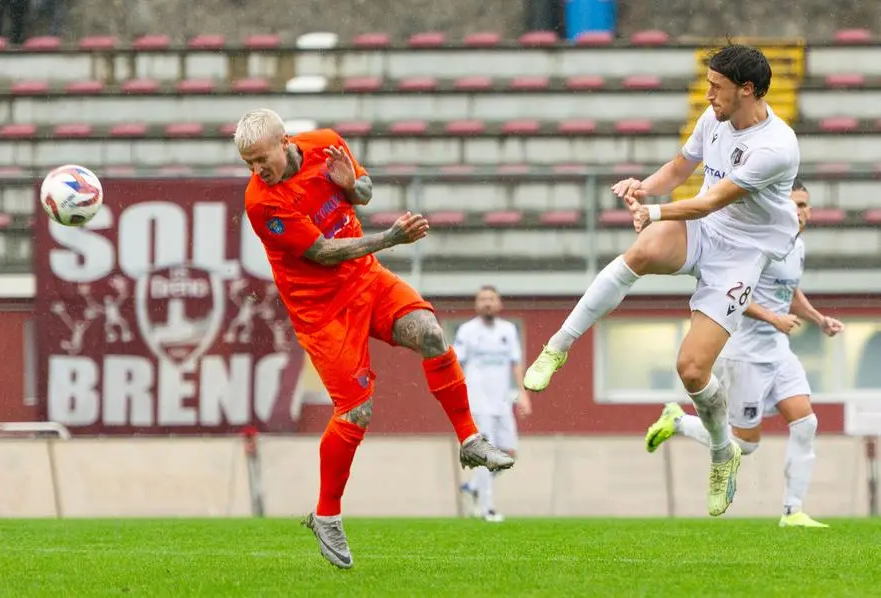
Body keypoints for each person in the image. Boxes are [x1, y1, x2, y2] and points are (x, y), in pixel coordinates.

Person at [523, 44, 801, 517]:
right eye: (708, 84)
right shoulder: (714, 118)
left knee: (692, 370)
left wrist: (653, 210)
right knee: (642, 250)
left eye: (717, 86)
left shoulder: (776, 146)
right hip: (707, 231)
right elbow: (679, 170)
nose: (708, 94)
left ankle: (721, 451)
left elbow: (710, 201)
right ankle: (558, 345)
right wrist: (643, 186)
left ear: (747, 88)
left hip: (742, 253)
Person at [236, 109, 514, 569]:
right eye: (248, 163)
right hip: (321, 311)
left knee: (430, 334)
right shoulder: (261, 202)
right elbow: (322, 253)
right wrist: (389, 238)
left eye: (261, 159)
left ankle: (469, 440)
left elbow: (364, 192)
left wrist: (351, 185)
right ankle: (326, 515)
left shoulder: (326, 142)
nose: (256, 171)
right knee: (357, 411)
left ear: (284, 141)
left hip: (366, 279)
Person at [644, 179, 844, 527]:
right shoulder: (758, 244)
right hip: (745, 353)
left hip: (778, 351)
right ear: (780, 207)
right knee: (745, 445)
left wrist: (818, 318)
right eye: (795, 204)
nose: (801, 212)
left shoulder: (796, 247)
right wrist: (772, 318)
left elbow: (790, 291)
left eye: (805, 205)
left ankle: (792, 511)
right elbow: (731, 292)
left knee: (806, 422)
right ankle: (677, 421)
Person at [454, 285, 532, 522]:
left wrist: (523, 394)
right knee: (487, 455)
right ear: (477, 304)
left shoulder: (508, 330)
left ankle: (473, 487)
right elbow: (456, 365)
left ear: (499, 303)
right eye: (483, 299)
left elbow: (515, 363)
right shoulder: (467, 331)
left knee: (509, 453)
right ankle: (487, 509)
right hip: (478, 403)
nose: (487, 303)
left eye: (491, 299)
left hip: (502, 402)